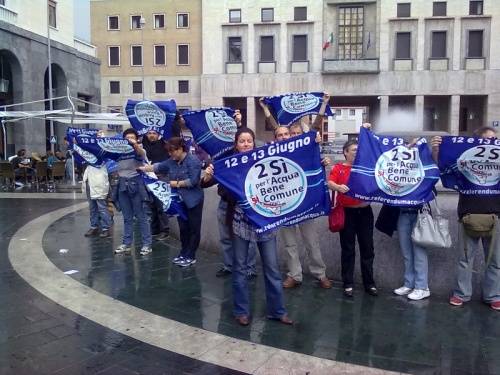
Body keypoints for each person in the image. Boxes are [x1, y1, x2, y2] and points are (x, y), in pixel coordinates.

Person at [203, 128, 293, 326]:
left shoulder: (266, 161)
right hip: (239, 221)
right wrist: (208, 174)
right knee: (240, 267)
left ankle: (277, 311)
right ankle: (241, 311)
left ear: (254, 143)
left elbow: (290, 168)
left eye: (249, 141)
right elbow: (204, 183)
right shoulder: (228, 164)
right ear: (236, 144)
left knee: (272, 268)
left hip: (265, 222)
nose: (246, 144)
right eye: (242, 141)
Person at [432, 126, 500, 311]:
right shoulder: (464, 162)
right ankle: (461, 293)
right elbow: (445, 168)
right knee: (464, 259)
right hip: (468, 215)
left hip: (496, 217)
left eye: (494, 139)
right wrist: (437, 150)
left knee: (495, 260)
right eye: (487, 139)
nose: (491, 143)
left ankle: (493, 296)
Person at [275, 124, 332, 289]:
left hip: (304, 203)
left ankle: (320, 274)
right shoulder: (271, 154)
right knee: (289, 244)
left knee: (311, 241)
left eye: (292, 133)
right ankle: (294, 275)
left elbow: (316, 164)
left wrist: (322, 160)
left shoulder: (307, 151)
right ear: (276, 138)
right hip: (285, 205)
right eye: (283, 134)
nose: (288, 137)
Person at [140, 137, 204, 267]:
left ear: (181, 149)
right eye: (169, 152)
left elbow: (193, 181)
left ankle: (191, 255)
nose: (171, 154)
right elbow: (160, 167)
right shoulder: (171, 161)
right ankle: (183, 252)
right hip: (179, 201)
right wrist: (145, 169)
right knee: (183, 228)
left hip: (193, 200)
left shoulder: (193, 161)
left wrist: (176, 184)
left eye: (173, 151)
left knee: (193, 228)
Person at [328, 136, 377, 297]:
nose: (357, 153)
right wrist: (337, 187)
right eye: (354, 150)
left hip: (365, 213)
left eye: (359, 150)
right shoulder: (338, 168)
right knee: (348, 248)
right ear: (345, 153)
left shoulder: (366, 167)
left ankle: (369, 283)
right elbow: (329, 182)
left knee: (367, 248)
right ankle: (348, 283)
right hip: (347, 212)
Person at [114, 128, 153, 256]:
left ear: (137, 139)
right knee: (127, 217)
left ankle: (147, 244)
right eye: (126, 138)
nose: (129, 139)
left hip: (136, 184)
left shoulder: (140, 149)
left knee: (141, 216)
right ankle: (126, 243)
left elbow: (141, 153)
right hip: (122, 184)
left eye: (132, 137)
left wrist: (134, 144)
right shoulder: (119, 151)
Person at [142, 129, 170, 241]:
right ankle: (155, 229)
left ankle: (165, 230)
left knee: (161, 204)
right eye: (149, 133)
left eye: (154, 133)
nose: (152, 135)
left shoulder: (164, 144)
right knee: (151, 204)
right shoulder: (143, 145)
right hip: (148, 177)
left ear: (158, 135)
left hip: (161, 176)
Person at [82, 162, 112, 238]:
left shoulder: (101, 154)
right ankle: (94, 226)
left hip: (99, 181)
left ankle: (106, 228)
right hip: (89, 181)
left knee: (102, 207)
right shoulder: (88, 156)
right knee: (92, 207)